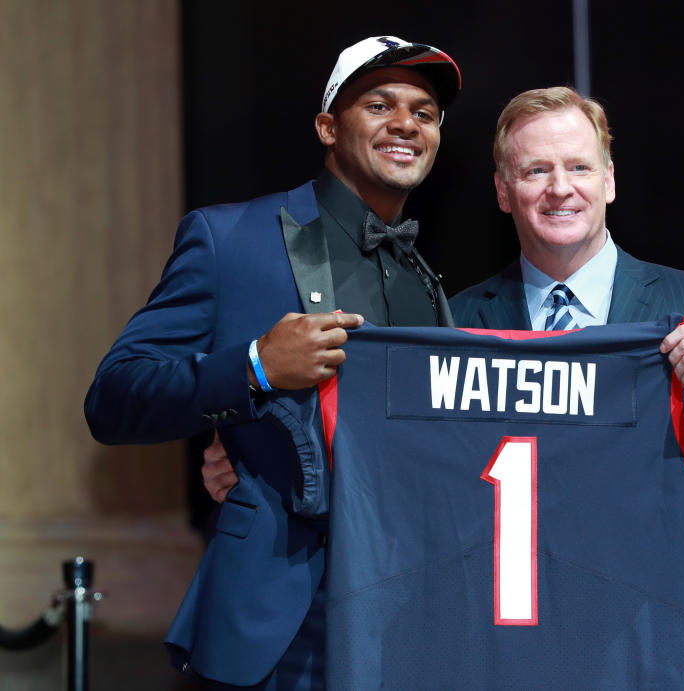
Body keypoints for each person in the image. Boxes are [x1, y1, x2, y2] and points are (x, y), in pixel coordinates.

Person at [84, 35, 461, 689]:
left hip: (407, 622)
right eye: (379, 103)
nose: (406, 122)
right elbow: (114, 397)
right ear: (327, 126)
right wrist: (254, 367)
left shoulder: (427, 281)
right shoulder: (229, 238)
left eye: (424, 112)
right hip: (280, 620)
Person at [449, 87, 684, 690]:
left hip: (681, 644)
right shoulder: (456, 324)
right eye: (536, 170)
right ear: (503, 191)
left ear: (609, 181)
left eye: (579, 167)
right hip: (518, 653)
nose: (560, 187)